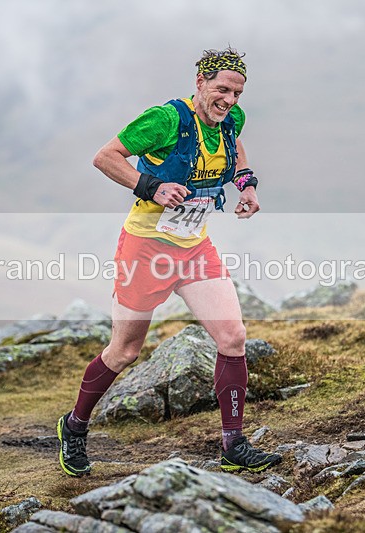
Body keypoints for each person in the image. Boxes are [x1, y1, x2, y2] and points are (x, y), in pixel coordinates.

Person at [57, 47, 282, 477]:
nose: (229, 100)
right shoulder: (164, 120)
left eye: (237, 93)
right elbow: (105, 156)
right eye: (221, 90)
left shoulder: (232, 120)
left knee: (233, 337)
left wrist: (246, 187)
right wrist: (151, 186)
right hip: (145, 248)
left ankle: (233, 444)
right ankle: (75, 426)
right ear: (199, 83)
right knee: (125, 351)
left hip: (195, 248)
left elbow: (236, 152)